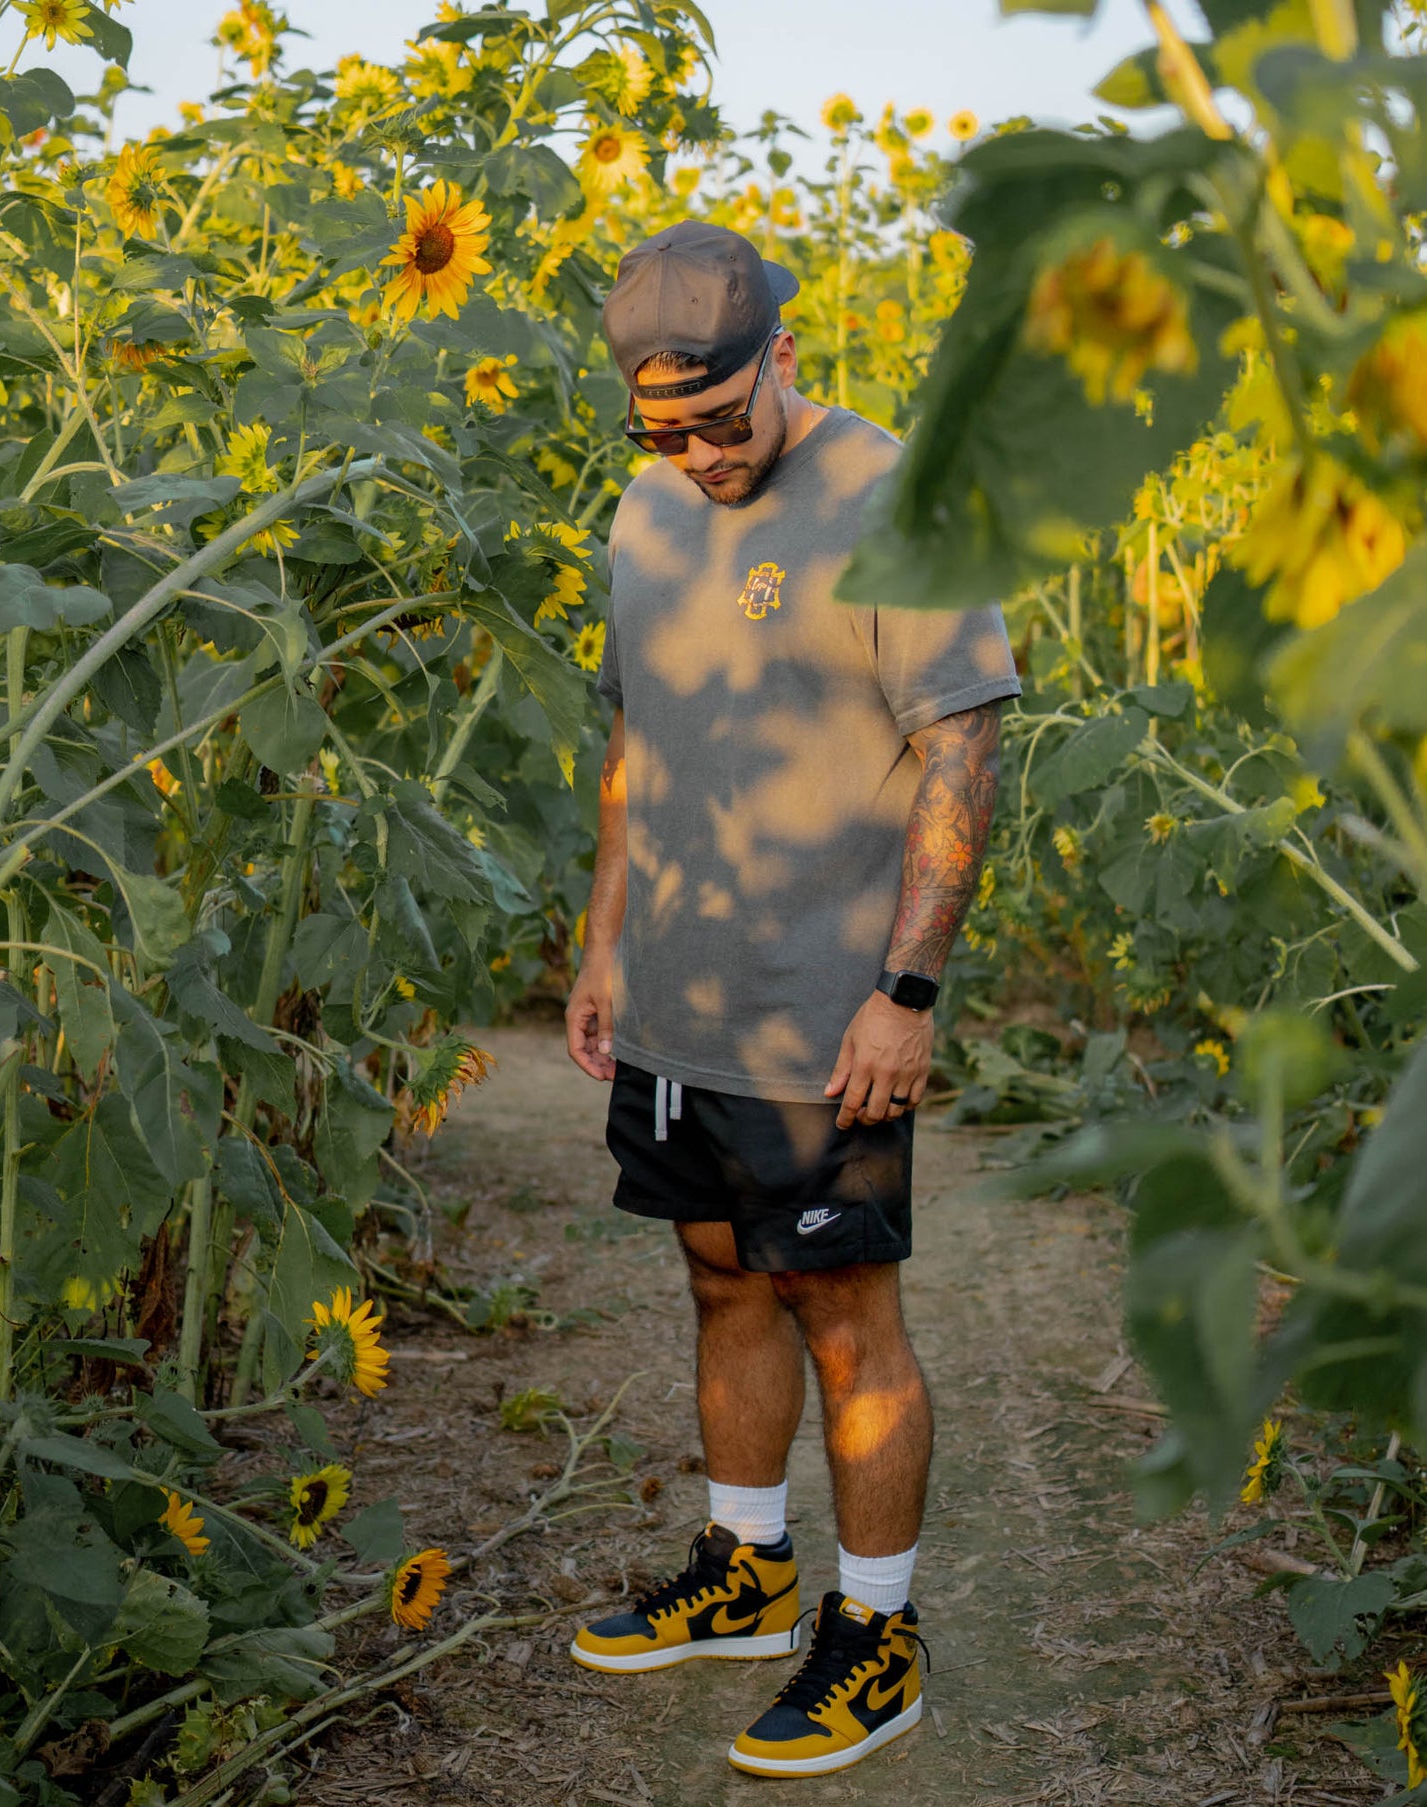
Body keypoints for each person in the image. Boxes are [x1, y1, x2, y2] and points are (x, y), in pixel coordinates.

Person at [563, 219, 1020, 1779]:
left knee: (843, 1314)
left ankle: (876, 1629)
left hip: (826, 1010)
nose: (695, 453)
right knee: (713, 1275)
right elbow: (639, 738)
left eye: (719, 419)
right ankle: (746, 1571)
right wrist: (603, 935)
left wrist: (907, 989)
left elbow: (963, 752)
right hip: (682, 995)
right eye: (663, 428)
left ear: (787, 358)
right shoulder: (639, 504)